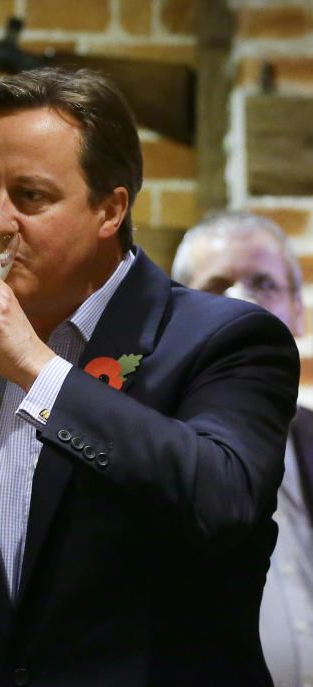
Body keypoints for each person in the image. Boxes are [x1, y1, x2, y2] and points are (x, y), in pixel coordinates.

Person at [0, 68, 299, 687]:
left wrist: (33, 364)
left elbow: (221, 500)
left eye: (30, 197)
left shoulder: (226, 339)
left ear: (111, 208)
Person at [172, 210, 313, 687]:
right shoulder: (151, 445)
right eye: (216, 286)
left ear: (298, 309)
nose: (241, 304)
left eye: (263, 283)